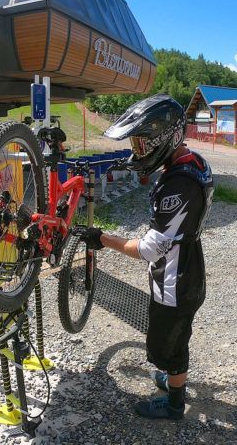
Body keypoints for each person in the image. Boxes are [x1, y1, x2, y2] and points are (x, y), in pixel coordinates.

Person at [79, 94, 214, 420]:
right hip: (188, 262)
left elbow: (148, 249)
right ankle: (171, 378)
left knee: (171, 345)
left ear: (165, 140)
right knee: (173, 336)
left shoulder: (177, 185)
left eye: (142, 145)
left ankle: (174, 404)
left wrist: (102, 238)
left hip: (175, 280)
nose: (138, 152)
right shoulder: (193, 162)